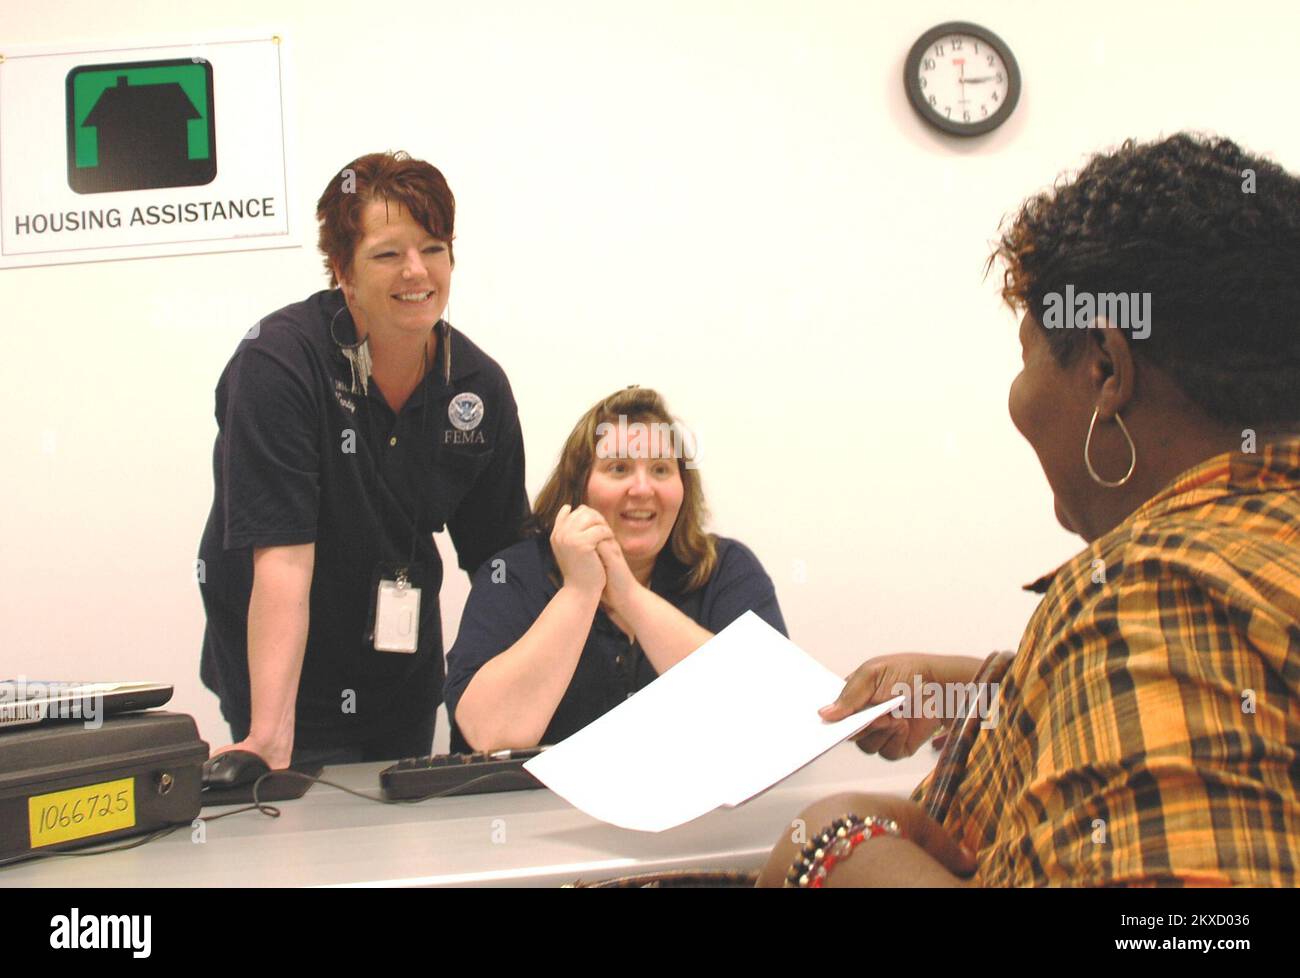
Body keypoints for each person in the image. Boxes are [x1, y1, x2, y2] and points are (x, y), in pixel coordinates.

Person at [759, 133, 1300, 887]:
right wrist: (977, 690)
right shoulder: (1246, 561)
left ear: (1107, 369)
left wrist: (836, 847)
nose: (1019, 399)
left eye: (1027, 357)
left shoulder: (1149, 598)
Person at [198, 152, 529, 768]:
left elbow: (501, 563)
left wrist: (503, 701)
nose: (416, 271)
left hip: (400, 670)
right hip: (280, 674)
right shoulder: (279, 365)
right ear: (342, 273)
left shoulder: (476, 387)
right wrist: (270, 734)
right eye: (387, 254)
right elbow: (283, 561)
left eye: (433, 247)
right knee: (291, 838)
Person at [444, 386, 786, 751]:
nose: (642, 488)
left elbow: (769, 711)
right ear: (579, 488)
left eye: (660, 469)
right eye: (619, 468)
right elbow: (490, 735)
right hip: (539, 806)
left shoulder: (728, 568)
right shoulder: (511, 573)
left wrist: (627, 594)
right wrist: (580, 591)